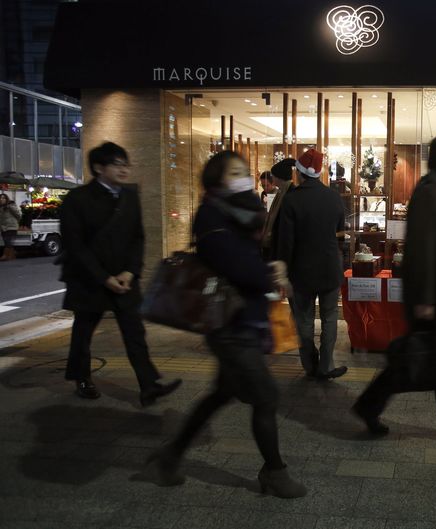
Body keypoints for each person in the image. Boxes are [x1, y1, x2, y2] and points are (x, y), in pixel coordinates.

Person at [148, 151, 306, 497]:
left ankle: (170, 455)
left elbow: (246, 259)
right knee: (265, 397)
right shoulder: (211, 214)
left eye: (244, 171)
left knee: (221, 394)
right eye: (234, 172)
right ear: (217, 178)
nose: (244, 177)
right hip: (229, 324)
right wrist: (269, 273)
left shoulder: (241, 211)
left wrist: (267, 269)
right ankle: (274, 473)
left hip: (244, 319)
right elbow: (233, 264)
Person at [352, 135, 436, 447]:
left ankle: (370, 405)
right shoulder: (432, 192)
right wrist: (426, 298)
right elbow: (424, 248)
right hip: (434, 296)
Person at [59, 142, 181, 404]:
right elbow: (75, 246)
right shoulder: (77, 199)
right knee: (84, 332)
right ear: (98, 168)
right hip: (89, 280)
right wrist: (104, 278)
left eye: (126, 163)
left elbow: (138, 237)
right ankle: (82, 378)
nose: (124, 169)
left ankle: (149, 385)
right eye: (117, 164)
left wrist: (130, 271)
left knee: (134, 331)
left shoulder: (129, 195)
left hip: (124, 279)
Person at [277, 148, 348, 380]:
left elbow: (285, 242)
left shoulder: (292, 200)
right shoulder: (333, 197)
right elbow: (340, 229)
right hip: (329, 268)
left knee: (304, 319)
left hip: (301, 271)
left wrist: (283, 272)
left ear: (299, 173)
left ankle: (309, 364)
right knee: (329, 318)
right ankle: (326, 366)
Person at [260, 158, 295, 260]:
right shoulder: (283, 191)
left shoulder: (289, 193)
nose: (273, 179)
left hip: (281, 243)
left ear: (279, 177)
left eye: (273, 176)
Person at [0, 193, 22, 261]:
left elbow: (19, 215)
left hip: (11, 227)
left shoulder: (10, 206)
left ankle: (5, 255)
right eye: (0, 198)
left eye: (3, 198)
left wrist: (15, 222)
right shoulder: (1, 207)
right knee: (6, 241)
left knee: (7, 241)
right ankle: (11, 255)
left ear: (6, 199)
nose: (1, 199)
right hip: (3, 227)